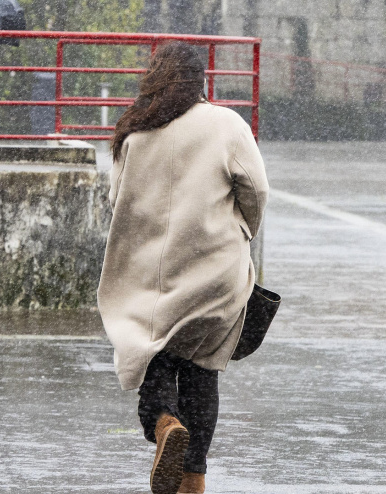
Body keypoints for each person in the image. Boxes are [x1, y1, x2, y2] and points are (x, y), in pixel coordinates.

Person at [96, 43, 269, 494]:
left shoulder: (135, 130)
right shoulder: (227, 124)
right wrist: (240, 233)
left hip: (152, 278)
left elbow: (117, 202)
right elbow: (256, 191)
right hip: (215, 274)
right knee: (202, 373)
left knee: (153, 359)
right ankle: (193, 481)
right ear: (201, 79)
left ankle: (165, 424)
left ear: (154, 76)